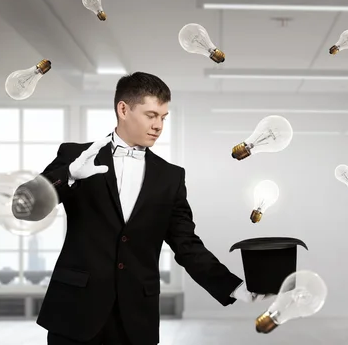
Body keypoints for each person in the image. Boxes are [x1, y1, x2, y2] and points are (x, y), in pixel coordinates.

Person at [35, 72, 268, 345]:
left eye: (163, 117)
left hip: (136, 319)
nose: (158, 125)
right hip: (74, 312)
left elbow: (187, 245)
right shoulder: (75, 156)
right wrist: (70, 174)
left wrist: (236, 288)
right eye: (151, 115)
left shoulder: (170, 177)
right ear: (123, 109)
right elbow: (27, 205)